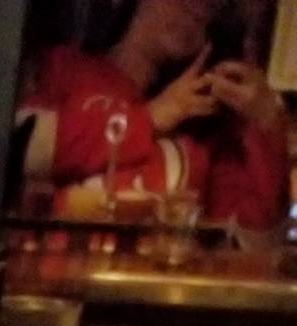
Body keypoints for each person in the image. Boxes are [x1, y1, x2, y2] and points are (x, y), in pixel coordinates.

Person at [17, 0, 292, 230]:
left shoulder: (199, 125)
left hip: (156, 276)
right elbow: (23, 147)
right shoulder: (65, 68)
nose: (197, 9)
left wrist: (267, 122)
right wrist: (152, 117)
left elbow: (243, 233)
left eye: (211, 6)